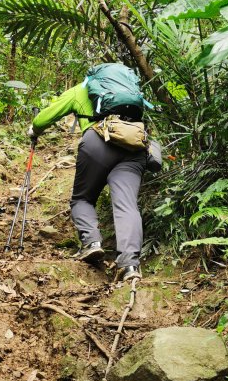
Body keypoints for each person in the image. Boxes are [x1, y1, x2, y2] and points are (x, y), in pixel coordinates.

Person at [28, 67, 159, 282]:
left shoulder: (82, 89)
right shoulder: (133, 95)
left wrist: (34, 129)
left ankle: (91, 243)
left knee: (83, 199)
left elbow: (45, 118)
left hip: (98, 141)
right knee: (127, 205)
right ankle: (130, 266)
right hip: (134, 147)